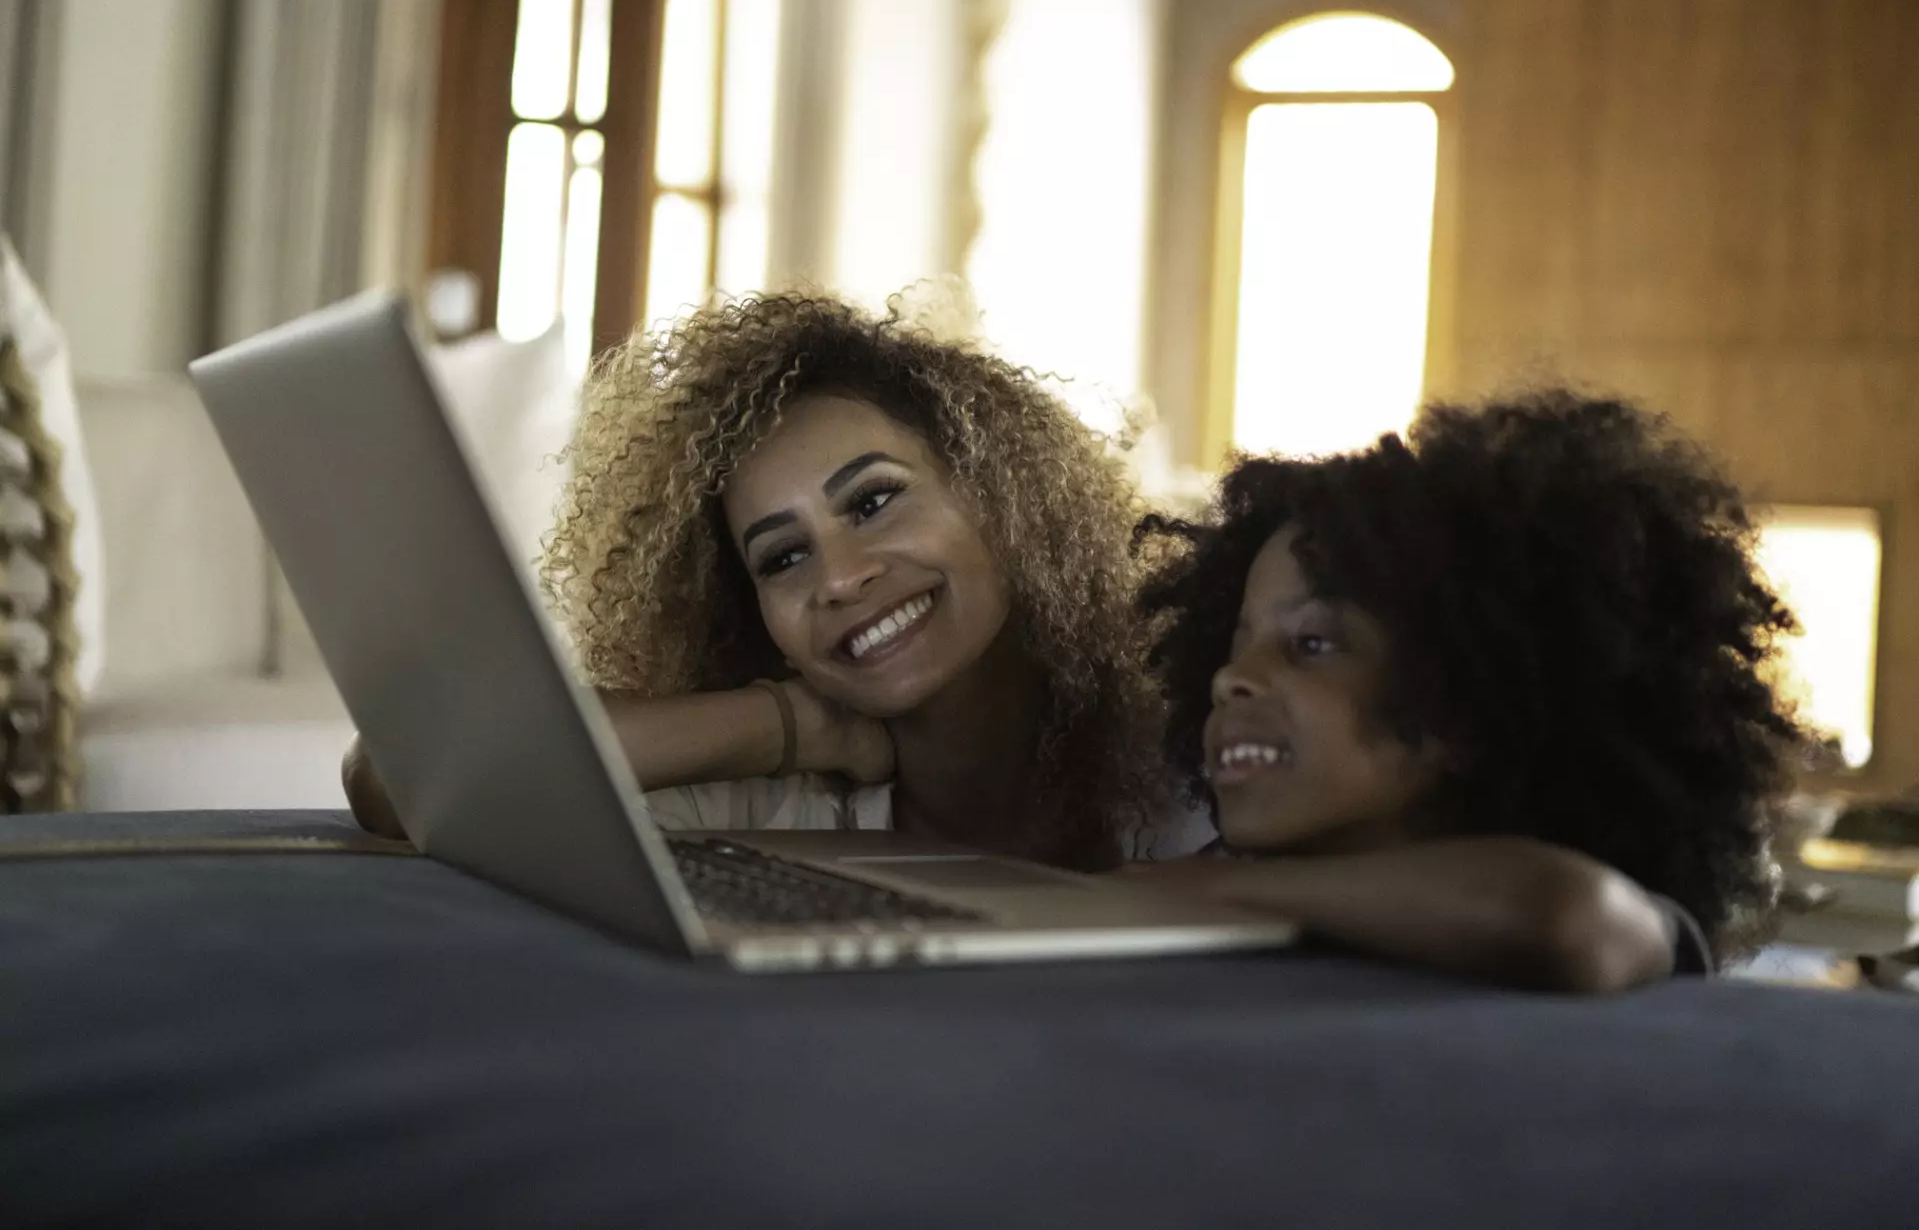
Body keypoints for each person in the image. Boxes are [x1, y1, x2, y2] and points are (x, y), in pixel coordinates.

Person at [345, 294, 1193, 869]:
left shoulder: (1186, 740)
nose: (839, 577)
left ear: (1006, 500)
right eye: (781, 557)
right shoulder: (778, 797)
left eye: (873, 501)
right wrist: (793, 726)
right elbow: (400, 773)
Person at [1127, 390, 1802, 989]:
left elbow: (1566, 917)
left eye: (1312, 645)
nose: (1230, 678)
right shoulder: (1237, 882)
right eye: (1236, 643)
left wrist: (1230, 887)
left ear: (1466, 705)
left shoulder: (1601, 910)